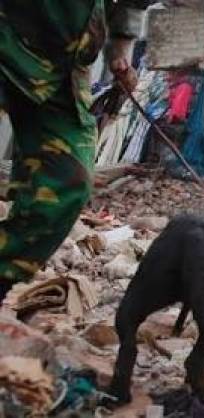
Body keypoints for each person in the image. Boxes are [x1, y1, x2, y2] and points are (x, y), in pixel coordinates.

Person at [0, 0, 149, 301]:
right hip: (9, 40)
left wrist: (119, 52)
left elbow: (132, 4)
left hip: (65, 69)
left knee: (70, 180)